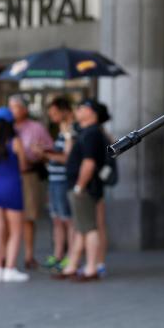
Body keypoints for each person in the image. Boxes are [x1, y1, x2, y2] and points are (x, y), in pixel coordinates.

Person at [56, 99, 108, 282]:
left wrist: (80, 185)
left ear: (92, 113)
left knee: (89, 228)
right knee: (81, 228)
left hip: (85, 187)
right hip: (80, 186)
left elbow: (89, 162)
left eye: (81, 108)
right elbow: (70, 157)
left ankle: (91, 268)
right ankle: (73, 265)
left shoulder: (92, 133)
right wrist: (69, 136)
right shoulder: (84, 133)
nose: (77, 110)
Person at [0, 107, 29, 283]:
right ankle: (10, 268)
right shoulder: (15, 141)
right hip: (11, 187)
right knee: (16, 231)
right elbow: (23, 166)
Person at [8, 94, 53, 269]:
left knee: (28, 217)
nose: (13, 111)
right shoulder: (5, 128)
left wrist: (40, 153)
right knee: (7, 218)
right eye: (10, 107)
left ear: (25, 109)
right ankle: (6, 256)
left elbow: (49, 150)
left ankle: (28, 255)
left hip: (29, 175)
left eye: (16, 106)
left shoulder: (36, 128)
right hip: (9, 175)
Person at [43, 97, 75, 271]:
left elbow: (68, 158)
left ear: (64, 111)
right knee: (56, 219)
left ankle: (70, 256)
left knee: (67, 219)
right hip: (54, 179)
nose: (52, 117)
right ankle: (58, 254)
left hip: (63, 180)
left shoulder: (72, 130)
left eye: (55, 113)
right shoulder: (62, 130)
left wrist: (46, 154)